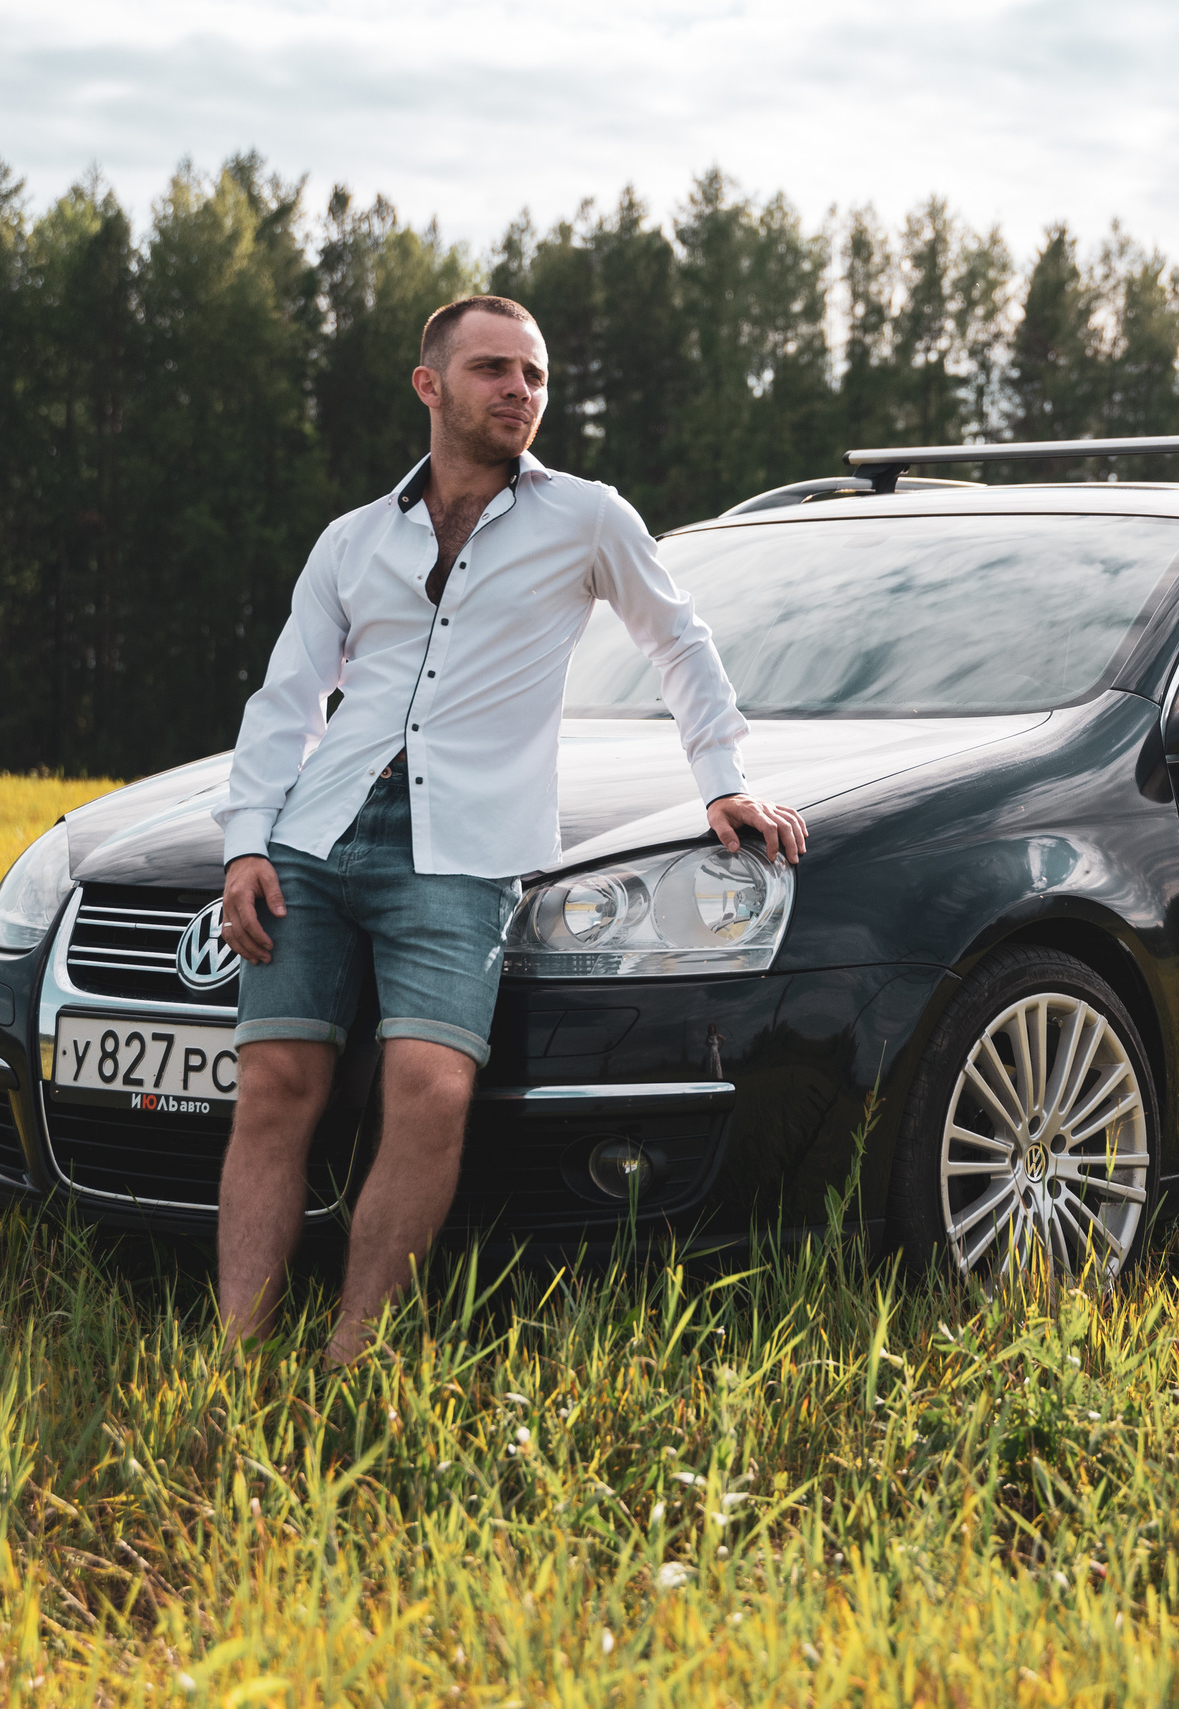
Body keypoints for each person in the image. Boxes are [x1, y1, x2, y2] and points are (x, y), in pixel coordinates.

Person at [210, 294, 807, 1364]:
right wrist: (248, 840)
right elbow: (286, 698)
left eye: (533, 375)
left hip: (466, 846)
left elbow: (679, 641)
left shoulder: (586, 517)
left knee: (431, 1088)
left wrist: (721, 779)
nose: (519, 392)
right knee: (275, 1085)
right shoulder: (352, 540)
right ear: (430, 385)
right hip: (318, 835)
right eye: (493, 370)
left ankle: (355, 1346)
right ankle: (234, 1342)